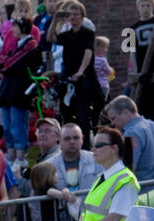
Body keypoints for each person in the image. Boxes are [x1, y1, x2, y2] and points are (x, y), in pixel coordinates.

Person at [0, 16, 41, 163]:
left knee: (17, 123)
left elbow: (12, 65)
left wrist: (5, 65)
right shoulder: (16, 46)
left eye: (15, 26)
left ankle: (21, 156)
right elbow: (1, 63)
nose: (12, 29)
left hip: (20, 90)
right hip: (9, 90)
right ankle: (11, 153)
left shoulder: (31, 45)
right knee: (7, 125)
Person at [52, 2, 98, 138]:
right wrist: (55, 20)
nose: (72, 17)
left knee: (82, 113)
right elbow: (50, 38)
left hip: (84, 78)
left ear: (82, 16)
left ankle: (85, 145)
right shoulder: (67, 35)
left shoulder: (88, 33)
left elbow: (88, 53)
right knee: (66, 112)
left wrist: (81, 71)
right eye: (70, 14)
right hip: (68, 77)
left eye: (76, 14)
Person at [107, 95, 154, 188]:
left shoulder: (132, 133)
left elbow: (128, 167)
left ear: (125, 112)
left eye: (113, 118)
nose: (112, 123)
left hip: (138, 189)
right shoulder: (152, 124)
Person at [93, 35, 113, 99]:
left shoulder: (90, 59)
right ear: (99, 47)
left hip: (93, 86)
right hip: (103, 86)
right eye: (105, 48)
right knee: (103, 103)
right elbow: (109, 72)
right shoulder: (103, 60)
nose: (106, 50)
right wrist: (111, 70)